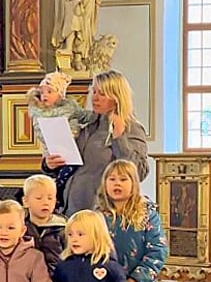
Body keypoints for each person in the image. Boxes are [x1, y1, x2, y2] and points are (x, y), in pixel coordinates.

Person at [42, 70, 149, 216]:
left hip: (102, 214)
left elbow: (139, 172)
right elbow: (72, 165)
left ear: (117, 97)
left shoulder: (131, 128)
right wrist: (49, 165)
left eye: (102, 94)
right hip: (69, 210)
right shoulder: (87, 127)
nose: (95, 98)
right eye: (94, 91)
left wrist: (119, 138)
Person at [27, 72, 97, 206]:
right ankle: (56, 190)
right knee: (60, 169)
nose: (44, 96)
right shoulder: (38, 112)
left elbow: (83, 116)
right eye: (42, 92)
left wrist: (95, 117)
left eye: (49, 92)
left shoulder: (69, 108)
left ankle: (58, 189)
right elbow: (40, 132)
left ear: (60, 94)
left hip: (71, 148)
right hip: (53, 149)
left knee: (70, 167)